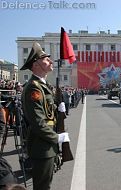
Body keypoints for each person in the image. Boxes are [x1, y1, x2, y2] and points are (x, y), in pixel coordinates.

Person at [20, 42, 69, 190]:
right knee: (42, 187)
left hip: (48, 145)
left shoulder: (43, 85)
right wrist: (57, 138)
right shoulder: (33, 88)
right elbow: (37, 122)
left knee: (46, 184)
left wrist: (58, 109)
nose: (51, 61)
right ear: (36, 64)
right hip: (41, 147)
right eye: (46, 59)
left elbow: (47, 111)